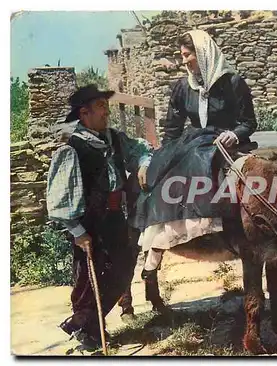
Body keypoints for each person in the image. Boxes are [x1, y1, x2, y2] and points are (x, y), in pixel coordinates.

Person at [130, 29, 257, 281]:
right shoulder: (182, 87)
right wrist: (164, 156)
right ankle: (157, 242)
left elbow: (249, 122)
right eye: (182, 56)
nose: (184, 61)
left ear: (203, 54)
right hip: (194, 140)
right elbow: (172, 129)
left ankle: (214, 229)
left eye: (188, 55)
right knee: (161, 172)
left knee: (203, 163)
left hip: (224, 142)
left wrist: (236, 134)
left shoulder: (232, 83)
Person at [46, 84, 153, 350]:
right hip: (89, 224)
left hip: (115, 218)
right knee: (88, 279)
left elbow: (139, 151)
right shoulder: (73, 148)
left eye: (106, 106)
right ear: (85, 113)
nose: (107, 112)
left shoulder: (114, 138)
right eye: (101, 107)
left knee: (122, 271)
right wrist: (77, 231)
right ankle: (89, 331)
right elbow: (59, 197)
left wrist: (144, 163)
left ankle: (84, 324)